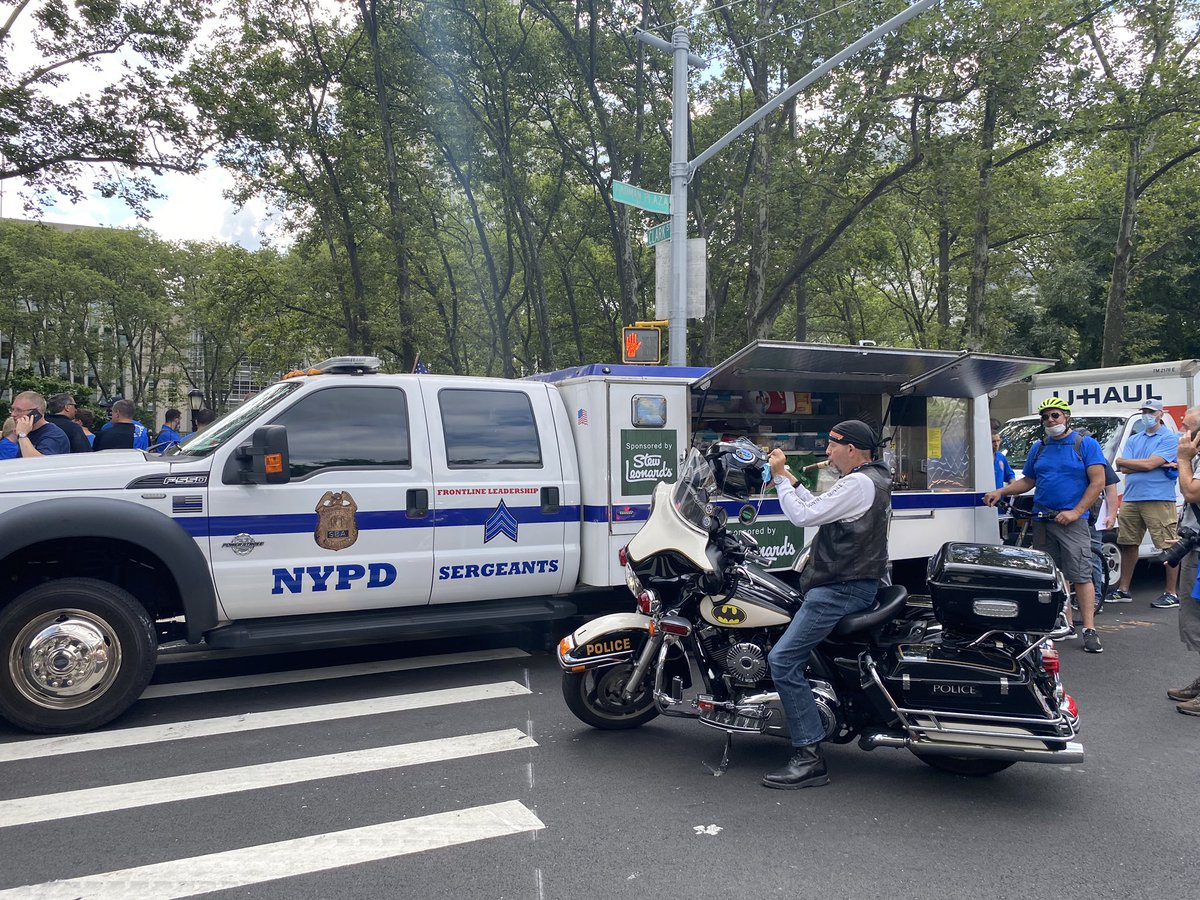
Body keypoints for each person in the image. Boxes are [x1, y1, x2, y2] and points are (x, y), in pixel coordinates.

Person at [761, 420, 892, 789]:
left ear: (851, 449)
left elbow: (803, 516)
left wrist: (778, 480)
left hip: (840, 588)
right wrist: (791, 479)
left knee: (783, 660)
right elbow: (820, 507)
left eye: (833, 446)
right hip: (852, 582)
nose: (828, 453)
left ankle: (808, 756)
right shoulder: (872, 478)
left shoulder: (858, 482)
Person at [985, 397, 1106, 653]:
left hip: (1073, 522)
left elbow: (1097, 482)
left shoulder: (1085, 445)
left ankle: (1090, 629)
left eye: (1055, 415)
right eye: (1045, 417)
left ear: (1067, 417)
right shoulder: (1038, 447)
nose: (1050, 420)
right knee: (1053, 576)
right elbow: (1028, 481)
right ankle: (1065, 624)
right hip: (1043, 519)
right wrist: (1002, 491)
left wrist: (1075, 512)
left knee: (1081, 574)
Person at [1110, 398, 1180, 608]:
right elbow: (1122, 467)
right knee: (1128, 544)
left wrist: (1142, 464)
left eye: (1150, 412)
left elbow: (1149, 464)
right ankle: (1123, 590)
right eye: (1144, 411)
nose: (1146, 415)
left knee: (1167, 546)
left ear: (1160, 414)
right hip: (1132, 497)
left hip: (1159, 497)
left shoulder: (1169, 437)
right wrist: (1148, 464)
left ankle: (1171, 593)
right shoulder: (1134, 439)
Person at [1167, 407, 1200, 715]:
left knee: (1199, 619)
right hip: (1196, 547)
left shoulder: (1191, 458)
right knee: (1193, 619)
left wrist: (1184, 457)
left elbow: (1191, 492)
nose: (1181, 434)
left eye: (1187, 429)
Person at [9, 390, 70, 458]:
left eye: (19, 410)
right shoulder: (28, 432)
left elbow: (38, 464)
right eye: (12, 409)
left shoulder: (54, 435)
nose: (13, 414)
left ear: (36, 413)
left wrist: (22, 435)